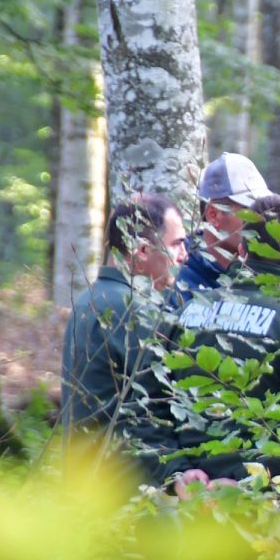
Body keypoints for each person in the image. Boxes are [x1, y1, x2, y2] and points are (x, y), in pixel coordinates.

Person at [169, 194, 280, 493]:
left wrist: (177, 473)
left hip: (183, 502)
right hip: (263, 515)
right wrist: (246, 481)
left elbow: (149, 408)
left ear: (242, 249)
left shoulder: (187, 313)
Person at [60, 193, 188, 473]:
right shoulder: (134, 309)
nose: (184, 255)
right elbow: (159, 407)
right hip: (122, 484)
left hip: (87, 476)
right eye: (177, 244)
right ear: (142, 251)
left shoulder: (91, 299)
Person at [175, 152, 271, 302]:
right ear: (213, 215)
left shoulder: (266, 273)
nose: (262, 219)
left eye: (264, 211)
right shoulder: (176, 278)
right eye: (252, 212)